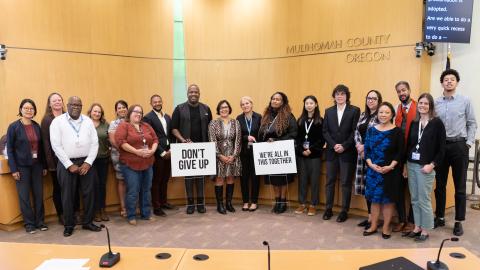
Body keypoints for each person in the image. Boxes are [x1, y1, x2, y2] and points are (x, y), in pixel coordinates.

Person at [50, 96, 101, 237]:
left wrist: (88, 162)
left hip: (86, 163)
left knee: (89, 193)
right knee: (67, 195)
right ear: (67, 105)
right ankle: (69, 225)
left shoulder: (88, 121)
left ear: (82, 106)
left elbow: (94, 143)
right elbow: (56, 146)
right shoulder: (57, 122)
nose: (75, 107)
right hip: (66, 163)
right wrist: (69, 164)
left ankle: (88, 222)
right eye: (73, 104)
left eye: (78, 105)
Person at [434, 69, 477, 236]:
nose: (449, 81)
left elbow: (472, 123)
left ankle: (459, 221)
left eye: (452, 79)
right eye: (446, 79)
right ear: (442, 83)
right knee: (440, 185)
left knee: (459, 187)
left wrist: (467, 144)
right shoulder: (436, 102)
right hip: (441, 148)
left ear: (456, 82)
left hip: (459, 146)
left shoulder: (465, 101)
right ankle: (440, 217)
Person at [405, 93, 445, 242]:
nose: (422, 105)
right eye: (420, 103)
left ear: (431, 106)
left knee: (424, 199)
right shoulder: (415, 123)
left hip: (426, 167)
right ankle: (417, 226)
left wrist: (432, 165)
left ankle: (426, 230)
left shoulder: (437, 123)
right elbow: (409, 145)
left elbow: (442, 149)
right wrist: (405, 164)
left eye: (426, 103)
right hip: (411, 164)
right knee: (414, 199)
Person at [362, 102, 404, 239]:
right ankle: (373, 225)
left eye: (386, 112)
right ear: (377, 114)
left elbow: (400, 152)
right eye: (381, 112)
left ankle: (386, 226)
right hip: (373, 171)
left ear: (392, 114)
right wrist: (371, 165)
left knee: (388, 200)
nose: (383, 115)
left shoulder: (397, 131)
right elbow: (366, 150)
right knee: (374, 200)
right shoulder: (371, 130)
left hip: (390, 171)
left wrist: (391, 166)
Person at [7, 99, 48, 234]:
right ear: (21, 110)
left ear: (34, 111)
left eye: (31, 108)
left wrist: (44, 166)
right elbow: (10, 150)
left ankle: (40, 222)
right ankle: (29, 224)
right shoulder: (13, 127)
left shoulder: (36, 126)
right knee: (24, 196)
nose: (29, 110)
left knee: (38, 195)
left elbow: (41, 148)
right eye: (26, 108)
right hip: (21, 167)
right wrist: (14, 169)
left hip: (37, 166)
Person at [171, 84, 213, 214]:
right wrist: (183, 140)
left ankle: (200, 203)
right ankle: (190, 203)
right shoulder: (179, 108)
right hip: (186, 148)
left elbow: (210, 128)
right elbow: (173, 128)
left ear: (199, 93)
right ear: (187, 93)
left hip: (202, 149)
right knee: (188, 177)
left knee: (200, 177)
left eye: (196, 92)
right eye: (191, 92)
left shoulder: (206, 108)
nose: (193, 94)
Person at [322, 84, 360, 222]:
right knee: (330, 181)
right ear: (334, 96)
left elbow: (355, 131)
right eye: (337, 94)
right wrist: (333, 145)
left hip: (347, 152)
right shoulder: (328, 111)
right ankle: (328, 209)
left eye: (342, 94)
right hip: (332, 152)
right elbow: (325, 131)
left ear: (347, 96)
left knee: (345, 182)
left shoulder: (354, 110)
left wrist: (344, 146)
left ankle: (344, 210)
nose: (339, 96)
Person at [115, 105, 158, 225]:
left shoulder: (146, 126)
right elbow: (120, 142)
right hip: (130, 164)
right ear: (130, 113)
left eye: (140, 112)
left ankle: (146, 214)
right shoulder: (124, 125)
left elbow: (155, 140)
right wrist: (137, 152)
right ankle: (131, 215)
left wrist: (152, 150)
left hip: (147, 163)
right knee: (133, 190)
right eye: (136, 112)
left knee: (146, 189)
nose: (138, 114)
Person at [258, 91, 297, 214]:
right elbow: (261, 134)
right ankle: (277, 201)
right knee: (273, 179)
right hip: (270, 154)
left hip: (283, 152)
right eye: (273, 99)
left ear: (283, 102)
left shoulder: (288, 116)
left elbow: (294, 133)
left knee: (283, 179)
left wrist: (277, 141)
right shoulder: (266, 116)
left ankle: (283, 201)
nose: (275, 101)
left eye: (278, 99)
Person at [143, 94, 177, 217]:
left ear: (162, 102)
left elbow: (171, 135)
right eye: (154, 102)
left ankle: (164, 202)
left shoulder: (167, 117)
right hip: (158, 153)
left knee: (165, 179)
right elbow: (150, 138)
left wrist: (172, 150)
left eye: (159, 101)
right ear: (151, 103)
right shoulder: (147, 118)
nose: (157, 103)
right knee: (156, 180)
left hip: (170, 152)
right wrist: (162, 152)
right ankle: (156, 207)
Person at [354, 90, 382, 229]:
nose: (371, 100)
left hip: (374, 157)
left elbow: (380, 135)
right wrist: (359, 145)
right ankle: (370, 217)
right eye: (368, 98)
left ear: (378, 100)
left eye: (374, 98)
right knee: (365, 187)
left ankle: (375, 218)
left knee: (373, 187)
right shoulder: (363, 115)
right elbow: (356, 132)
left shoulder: (381, 115)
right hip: (361, 156)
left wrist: (366, 146)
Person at [209, 100, 242, 214]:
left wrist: (234, 155)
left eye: (226, 107)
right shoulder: (213, 123)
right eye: (222, 107)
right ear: (218, 110)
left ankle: (229, 203)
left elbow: (238, 140)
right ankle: (220, 204)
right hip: (219, 156)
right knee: (219, 179)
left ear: (229, 109)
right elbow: (212, 141)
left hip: (232, 155)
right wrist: (219, 155)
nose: (224, 109)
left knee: (230, 178)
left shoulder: (236, 122)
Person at [393, 81, 417, 234]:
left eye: (404, 90)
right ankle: (402, 219)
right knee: (398, 189)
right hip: (399, 154)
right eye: (399, 91)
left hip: (414, 155)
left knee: (414, 191)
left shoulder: (418, 107)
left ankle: (412, 221)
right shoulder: (397, 109)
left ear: (409, 90)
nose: (402, 93)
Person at [294, 95, 324, 216]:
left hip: (314, 156)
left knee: (315, 181)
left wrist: (310, 149)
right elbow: (297, 138)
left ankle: (313, 205)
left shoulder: (320, 121)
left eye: (311, 103)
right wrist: (302, 150)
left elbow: (322, 139)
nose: (309, 105)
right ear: (304, 105)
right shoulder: (300, 120)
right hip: (302, 155)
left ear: (316, 104)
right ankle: (302, 204)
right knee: (302, 180)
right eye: (307, 103)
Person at [40, 92, 66, 224]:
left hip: (70, 159)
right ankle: (61, 214)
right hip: (55, 161)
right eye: (54, 100)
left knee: (71, 187)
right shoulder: (46, 120)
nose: (57, 102)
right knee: (58, 188)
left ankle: (72, 212)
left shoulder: (68, 117)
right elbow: (45, 143)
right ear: (49, 104)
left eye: (59, 100)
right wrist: (50, 163)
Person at [236, 96, 262, 211]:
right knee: (244, 178)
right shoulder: (238, 118)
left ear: (251, 104)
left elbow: (262, 133)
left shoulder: (259, 117)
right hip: (244, 152)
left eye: (247, 103)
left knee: (255, 177)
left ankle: (254, 202)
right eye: (243, 104)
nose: (245, 106)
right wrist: (247, 137)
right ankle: (246, 201)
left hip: (257, 152)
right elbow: (236, 136)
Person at [87, 103, 110, 222]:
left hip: (103, 159)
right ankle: (94, 211)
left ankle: (102, 209)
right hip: (89, 161)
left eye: (99, 112)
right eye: (95, 111)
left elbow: (110, 139)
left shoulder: (106, 124)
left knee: (102, 185)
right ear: (90, 111)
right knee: (92, 186)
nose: (97, 113)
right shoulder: (84, 124)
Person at [108, 100, 128, 217]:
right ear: (116, 111)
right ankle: (123, 207)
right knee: (122, 181)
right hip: (119, 155)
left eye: (124, 107)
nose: (122, 109)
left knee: (133, 181)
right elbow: (112, 140)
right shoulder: (113, 123)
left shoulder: (132, 121)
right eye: (119, 108)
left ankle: (132, 206)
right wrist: (125, 150)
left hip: (133, 156)